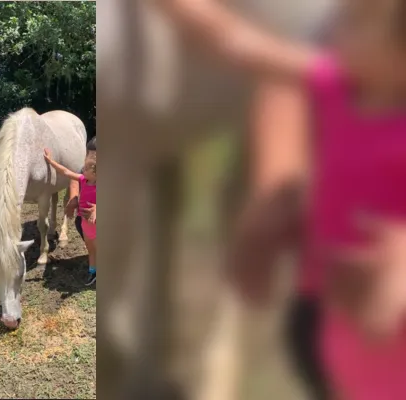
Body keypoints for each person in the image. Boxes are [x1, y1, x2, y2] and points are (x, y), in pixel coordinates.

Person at [161, 0, 406, 398]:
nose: (337, 35)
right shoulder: (335, 85)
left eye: (359, 26)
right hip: (329, 311)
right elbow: (234, 41)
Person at [44, 146, 97, 285]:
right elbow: (66, 172)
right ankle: (93, 272)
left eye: (85, 168)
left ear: (95, 173)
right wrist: (50, 161)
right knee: (90, 250)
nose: (82, 170)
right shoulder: (82, 179)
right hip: (86, 223)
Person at [66, 137, 97, 243]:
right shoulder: (88, 168)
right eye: (90, 155)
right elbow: (76, 177)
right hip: (86, 218)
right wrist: (73, 198)